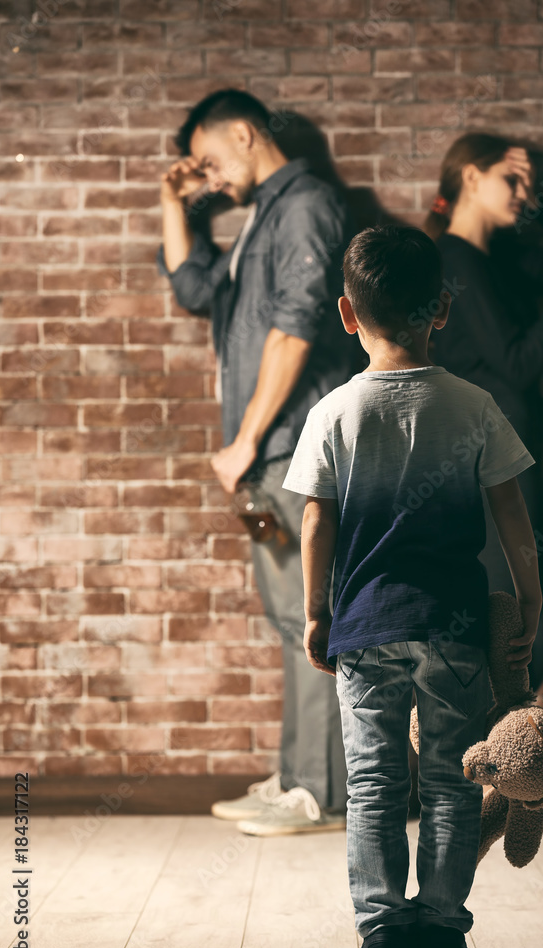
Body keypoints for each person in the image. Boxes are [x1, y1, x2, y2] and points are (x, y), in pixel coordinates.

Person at [281, 225, 543, 948]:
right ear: (443, 308)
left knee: (373, 784)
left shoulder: (334, 412)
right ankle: (443, 926)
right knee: (453, 782)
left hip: (365, 627)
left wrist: (316, 612)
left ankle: (383, 932)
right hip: (454, 627)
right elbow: (512, 512)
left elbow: (316, 520)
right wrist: (527, 598)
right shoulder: (473, 405)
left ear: (346, 313)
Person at [157, 89, 362, 835]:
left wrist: (245, 441)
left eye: (211, 160)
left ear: (246, 134)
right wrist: (172, 201)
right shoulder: (258, 222)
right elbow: (192, 286)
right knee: (291, 617)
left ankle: (322, 794)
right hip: (272, 455)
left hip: (297, 448)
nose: (209, 178)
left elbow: (296, 329)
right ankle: (301, 778)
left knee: (315, 617)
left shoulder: (305, 205)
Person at [422, 134, 543, 701]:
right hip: (487, 465)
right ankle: (477, 745)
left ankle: (485, 745)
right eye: (510, 179)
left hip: (511, 458)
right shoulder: (454, 261)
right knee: (525, 623)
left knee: (538, 622)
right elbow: (517, 364)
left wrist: (536, 195)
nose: (521, 193)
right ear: (471, 178)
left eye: (525, 184)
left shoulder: (496, 259)